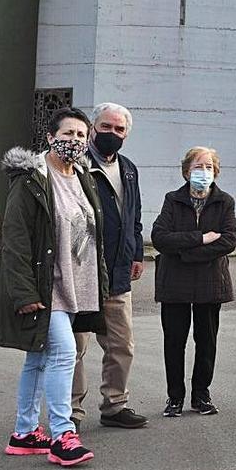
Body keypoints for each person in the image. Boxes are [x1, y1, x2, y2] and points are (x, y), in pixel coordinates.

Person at [0, 107, 107, 467]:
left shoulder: (83, 177)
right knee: (64, 354)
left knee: (38, 357)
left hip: (75, 285)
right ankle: (63, 434)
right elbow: (14, 240)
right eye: (67, 134)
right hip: (45, 286)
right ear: (50, 137)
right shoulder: (32, 179)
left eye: (81, 135)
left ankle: (24, 432)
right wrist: (24, 293)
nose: (74, 141)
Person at [71, 102, 147, 431]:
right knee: (75, 347)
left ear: (127, 135)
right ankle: (70, 411)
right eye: (106, 127)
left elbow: (135, 217)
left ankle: (115, 405)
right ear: (92, 128)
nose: (112, 134)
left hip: (117, 273)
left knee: (121, 344)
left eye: (119, 129)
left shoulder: (129, 168)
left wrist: (137, 254)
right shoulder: (75, 165)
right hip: (81, 272)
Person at [151, 146, 236, 417]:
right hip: (175, 283)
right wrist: (200, 238)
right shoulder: (172, 199)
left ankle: (201, 395)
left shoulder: (224, 202)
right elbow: (160, 237)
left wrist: (185, 252)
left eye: (209, 167)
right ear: (187, 171)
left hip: (210, 282)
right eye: (198, 167)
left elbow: (228, 240)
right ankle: (174, 397)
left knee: (207, 340)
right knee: (174, 341)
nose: (204, 172)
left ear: (216, 172)